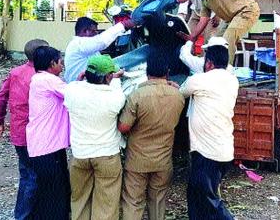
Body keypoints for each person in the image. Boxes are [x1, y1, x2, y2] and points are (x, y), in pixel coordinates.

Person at [118, 55, 185, 220]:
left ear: (147, 72)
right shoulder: (178, 96)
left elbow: (123, 127)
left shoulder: (137, 95)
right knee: (158, 201)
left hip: (137, 160)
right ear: (167, 73)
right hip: (163, 159)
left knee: (133, 201)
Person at [179, 42, 239, 220]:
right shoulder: (232, 80)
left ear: (209, 63)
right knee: (195, 194)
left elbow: (181, 93)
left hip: (208, 153)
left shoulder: (200, 80)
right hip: (223, 149)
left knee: (209, 201)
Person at [0, 39, 48, 220]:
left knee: (26, 174)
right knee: (35, 177)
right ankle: (25, 215)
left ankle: (22, 213)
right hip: (37, 133)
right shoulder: (44, 77)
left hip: (18, 133)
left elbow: (0, 98)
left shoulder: (15, 73)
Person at [64, 54, 126, 220]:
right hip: (107, 155)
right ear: (108, 76)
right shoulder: (115, 97)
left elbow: (76, 83)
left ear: (86, 73)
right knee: (106, 203)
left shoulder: (71, 91)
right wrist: (117, 79)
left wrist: (82, 78)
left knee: (79, 200)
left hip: (80, 155)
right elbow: (115, 89)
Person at [177, 0, 260, 64]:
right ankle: (211, 68)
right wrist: (192, 37)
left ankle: (225, 71)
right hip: (230, 18)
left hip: (247, 10)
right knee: (214, 42)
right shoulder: (204, 1)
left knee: (227, 40)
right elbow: (203, 20)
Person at [26, 46, 70, 220]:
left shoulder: (39, 79)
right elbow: (75, 95)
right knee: (55, 193)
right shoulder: (49, 80)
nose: (63, 65)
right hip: (48, 147)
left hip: (46, 145)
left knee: (50, 190)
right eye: (60, 61)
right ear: (52, 63)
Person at [64, 16, 135, 83]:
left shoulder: (89, 49)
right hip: (78, 87)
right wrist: (123, 25)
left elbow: (102, 66)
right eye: (94, 31)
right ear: (85, 31)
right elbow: (101, 42)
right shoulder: (78, 43)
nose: (96, 34)